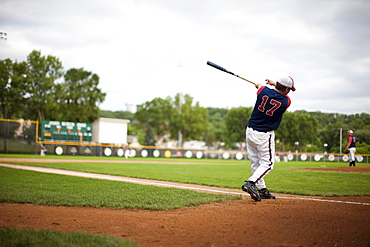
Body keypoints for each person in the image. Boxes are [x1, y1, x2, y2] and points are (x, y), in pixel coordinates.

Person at [242, 76, 295, 201]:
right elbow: (279, 94)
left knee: (255, 162)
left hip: (250, 131)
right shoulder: (286, 102)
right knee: (268, 164)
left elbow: (262, 89)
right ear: (286, 89)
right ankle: (251, 183)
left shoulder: (263, 91)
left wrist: (268, 86)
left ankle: (262, 190)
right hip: (264, 134)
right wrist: (273, 85)